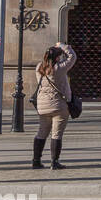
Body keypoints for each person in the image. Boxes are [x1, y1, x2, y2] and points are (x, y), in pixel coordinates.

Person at [32, 41, 76, 170]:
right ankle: (54, 162)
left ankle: (36, 160)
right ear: (57, 57)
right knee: (56, 134)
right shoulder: (59, 68)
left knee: (41, 132)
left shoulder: (39, 68)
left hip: (42, 106)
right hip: (58, 106)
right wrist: (62, 46)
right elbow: (72, 57)